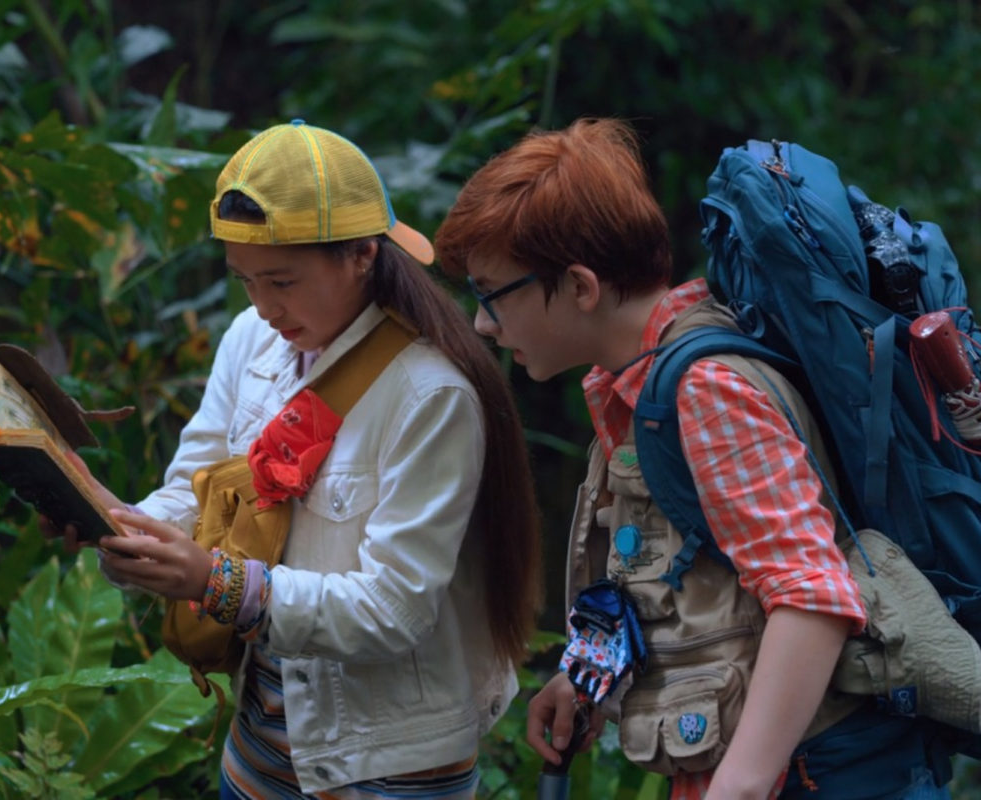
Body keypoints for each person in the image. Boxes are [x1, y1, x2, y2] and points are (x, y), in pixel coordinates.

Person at [433, 118, 952, 799]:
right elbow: (683, 575)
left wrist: (736, 787)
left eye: (491, 294)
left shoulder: (704, 390)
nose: (482, 325)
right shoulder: (638, 380)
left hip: (813, 777)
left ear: (581, 287)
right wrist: (586, 675)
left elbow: (813, 598)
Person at [56, 119, 543, 798]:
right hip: (261, 742)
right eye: (245, 280)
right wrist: (120, 521)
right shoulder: (250, 339)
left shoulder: (431, 395)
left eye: (281, 281)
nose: (263, 305)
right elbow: (197, 489)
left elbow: (394, 609)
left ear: (361, 255)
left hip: (387, 768)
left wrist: (216, 582)